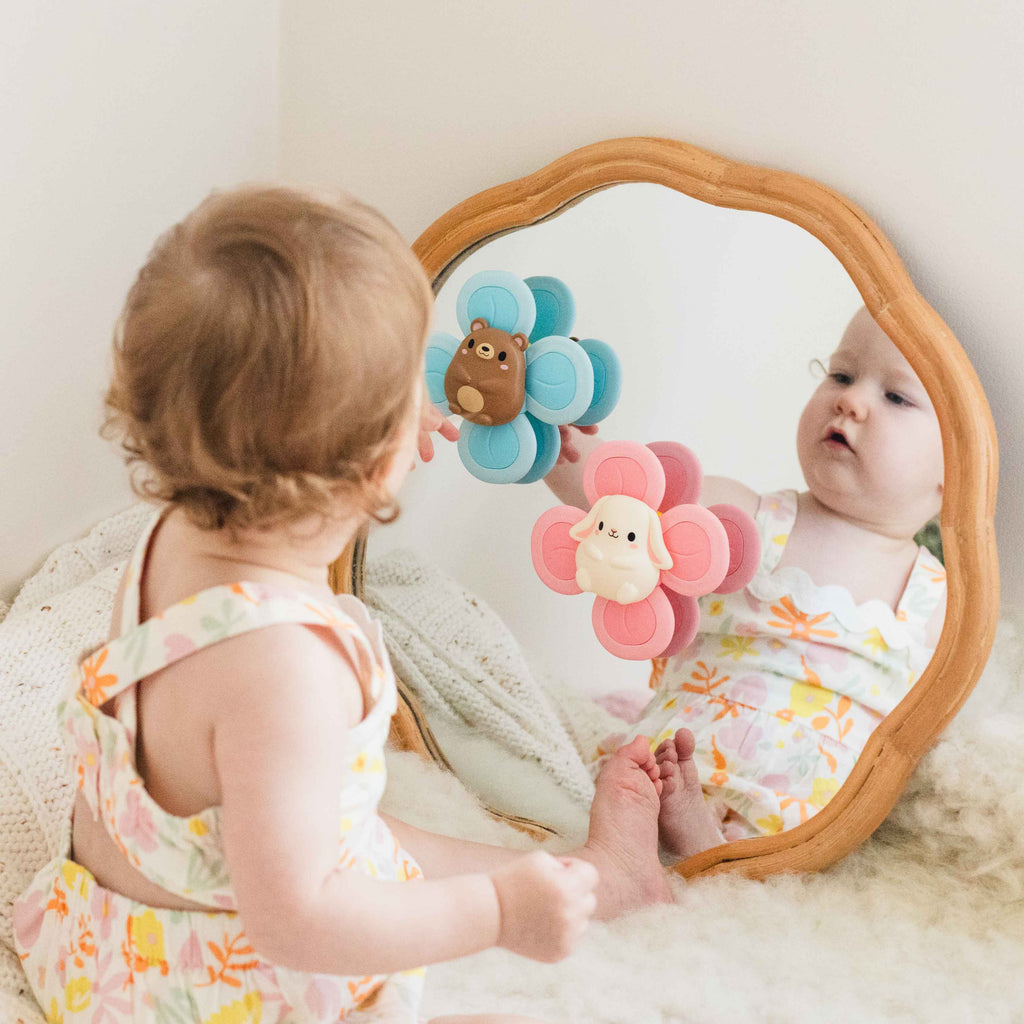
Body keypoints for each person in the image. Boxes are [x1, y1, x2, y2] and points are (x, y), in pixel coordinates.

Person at [12, 187, 674, 1024]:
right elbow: (298, 917)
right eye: (409, 396)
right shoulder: (283, 669)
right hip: (208, 992)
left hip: (106, 936)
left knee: (370, 832)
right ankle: (544, 890)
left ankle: (596, 878)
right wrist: (499, 914)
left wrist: (383, 432)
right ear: (366, 471)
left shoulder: (179, 532)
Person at [547, 307, 947, 857]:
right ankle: (675, 818)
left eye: (896, 397)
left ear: (958, 469)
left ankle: (716, 842)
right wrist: (549, 431)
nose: (850, 402)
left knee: (812, 840)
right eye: (841, 375)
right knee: (647, 771)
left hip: (804, 819)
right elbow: (625, 506)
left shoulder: (938, 600)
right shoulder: (747, 519)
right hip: (687, 756)